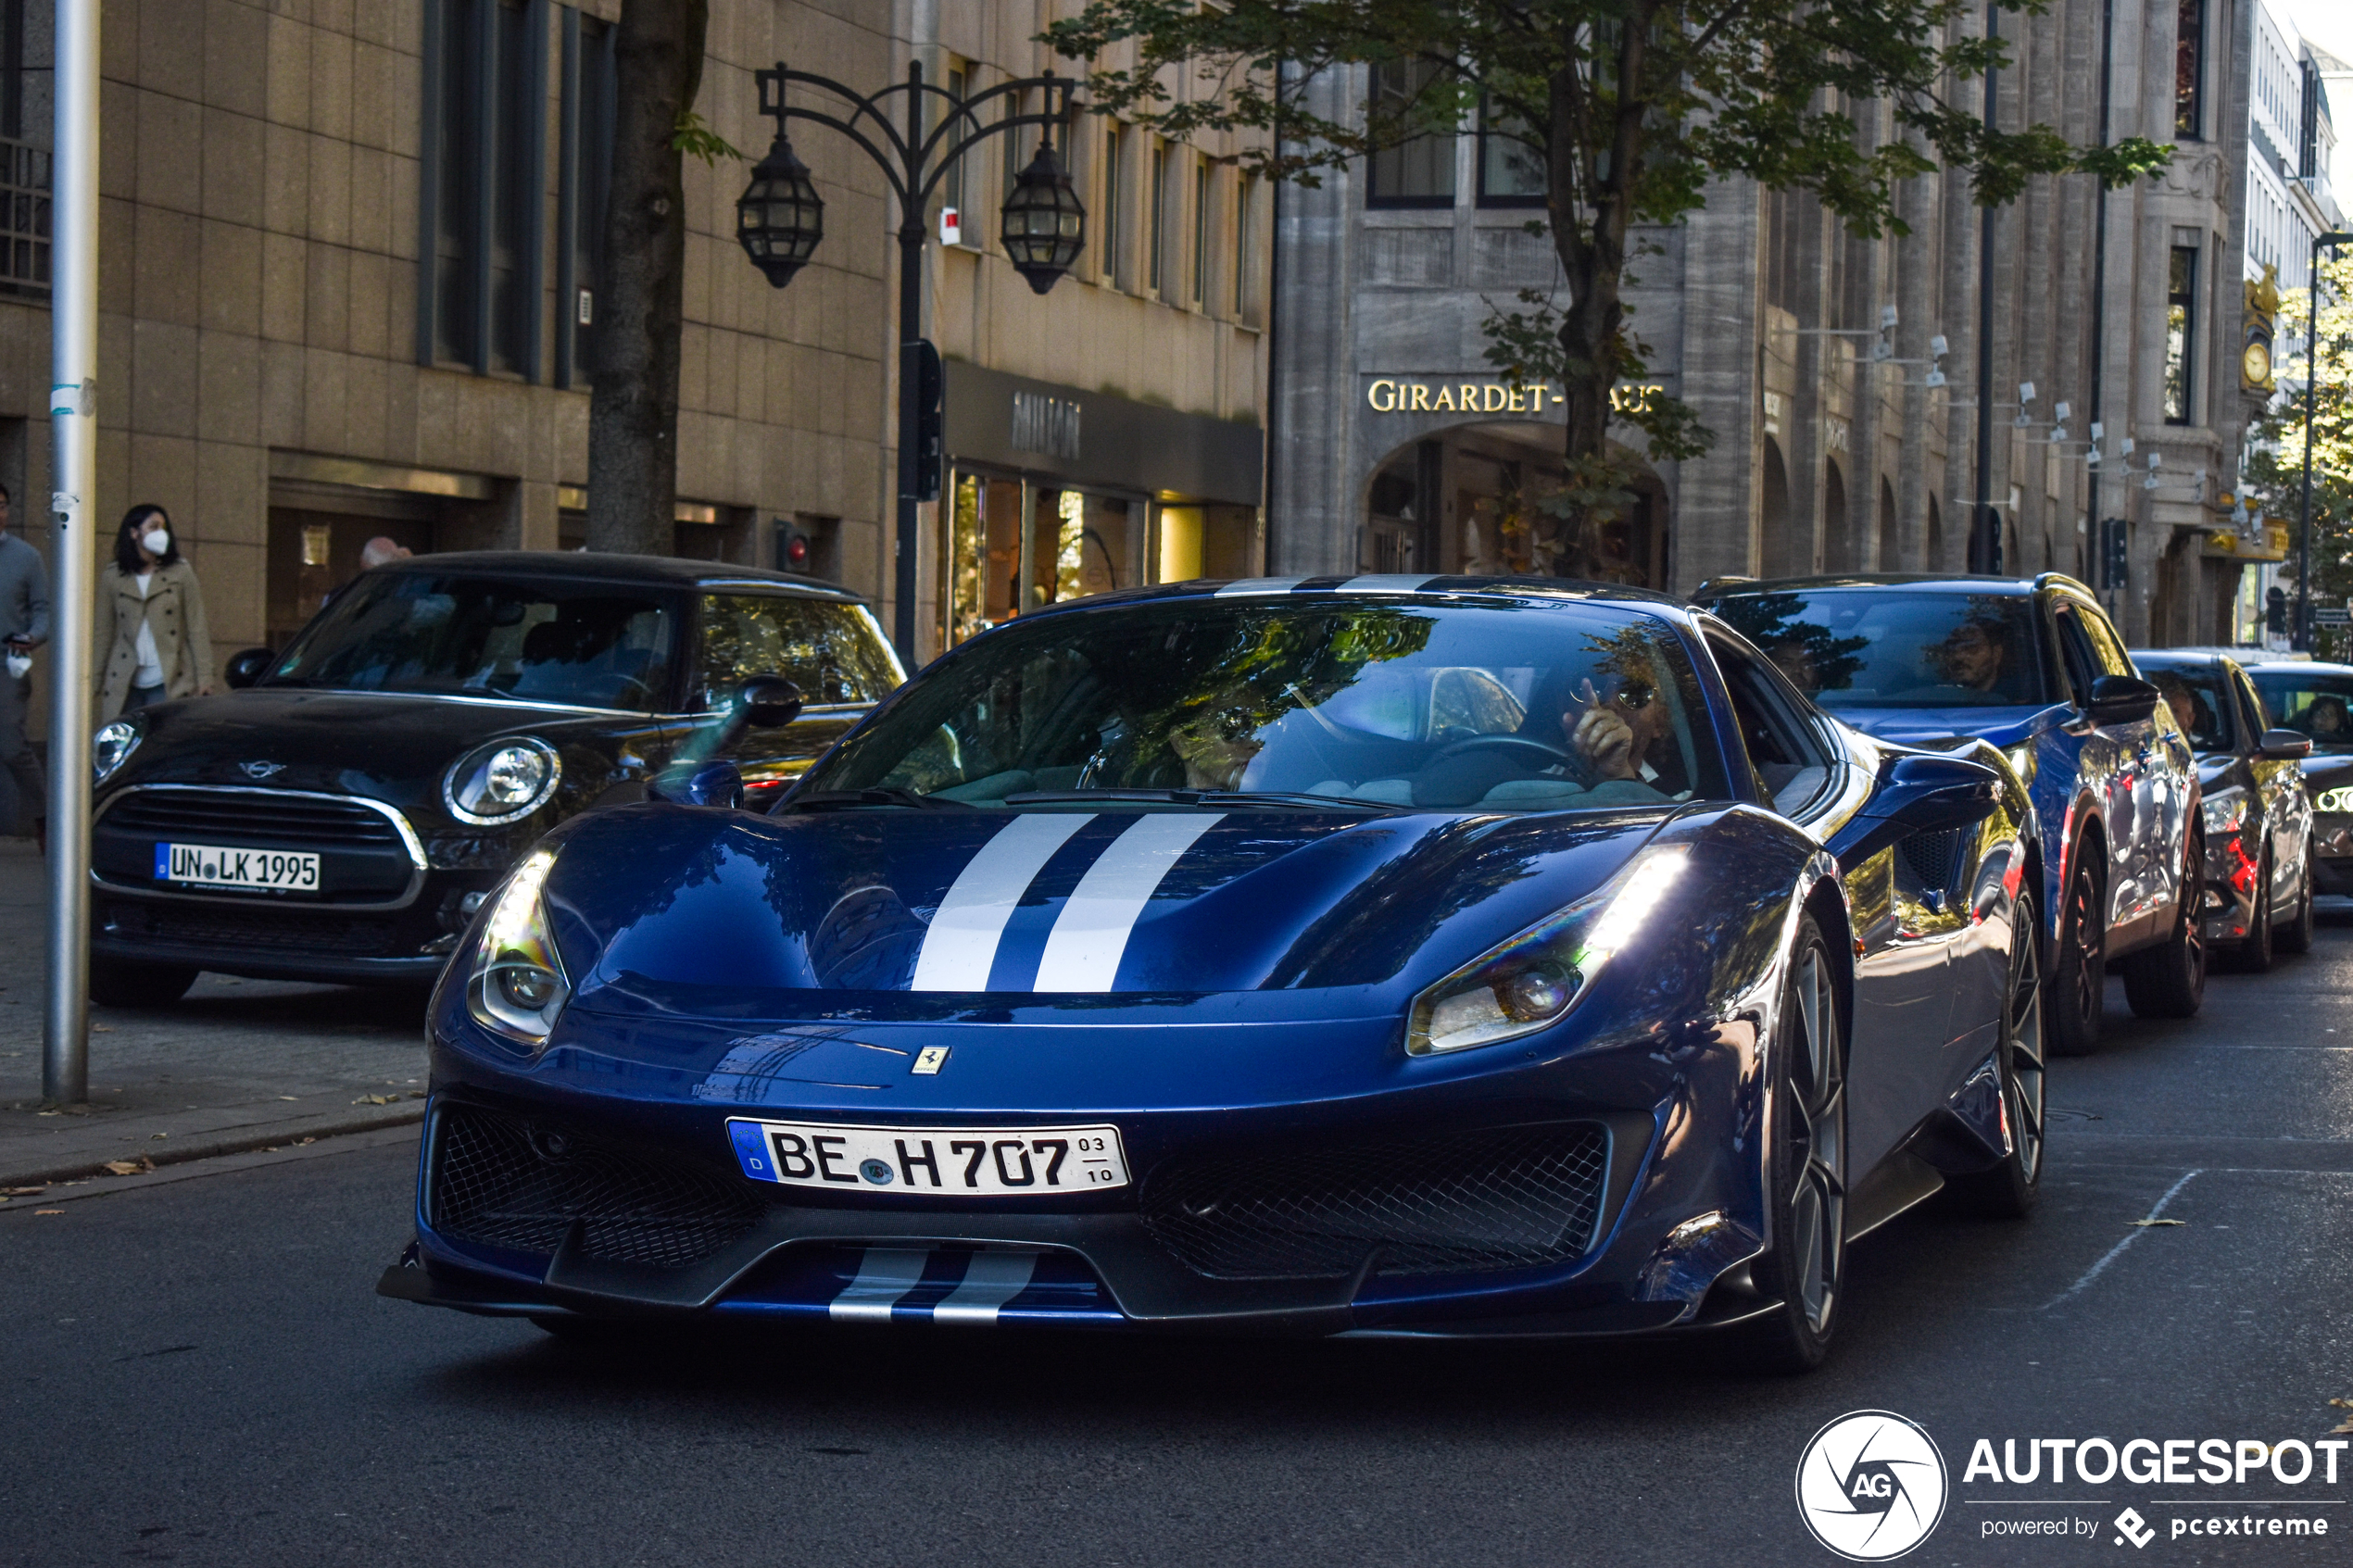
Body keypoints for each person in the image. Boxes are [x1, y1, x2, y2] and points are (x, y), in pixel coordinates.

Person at [96, 504, 214, 720]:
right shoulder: (113, 575)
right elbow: (102, 632)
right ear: (134, 533)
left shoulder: (180, 572)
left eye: (163, 528)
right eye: (153, 527)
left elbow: (197, 627)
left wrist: (205, 677)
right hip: (126, 677)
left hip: (169, 677)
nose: (160, 533)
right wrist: (92, 682)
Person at [0, 483, 50, 842]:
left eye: (1, 505)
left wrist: (33, 636)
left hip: (9, 664)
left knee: (12, 747)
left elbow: (44, 609)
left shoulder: (26, 557)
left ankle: (46, 818)